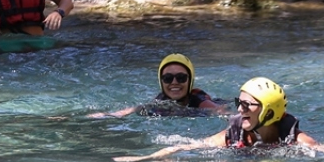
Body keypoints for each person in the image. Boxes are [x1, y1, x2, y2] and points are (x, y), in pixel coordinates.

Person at [113, 77, 324, 161]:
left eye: (248, 105)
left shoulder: (294, 138)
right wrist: (147, 157)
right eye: (239, 103)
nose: (240, 110)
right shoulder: (233, 133)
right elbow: (191, 145)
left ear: (269, 111)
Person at [89, 53, 225, 118]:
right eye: (168, 78)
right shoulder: (160, 101)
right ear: (161, 81)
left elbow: (223, 112)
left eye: (181, 77)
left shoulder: (200, 101)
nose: (174, 82)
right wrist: (107, 115)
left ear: (190, 81)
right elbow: (133, 110)